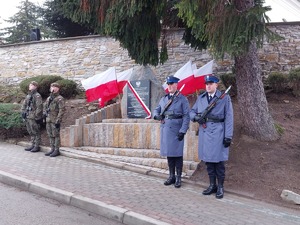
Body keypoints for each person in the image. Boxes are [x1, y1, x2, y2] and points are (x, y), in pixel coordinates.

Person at [190, 75, 233, 199]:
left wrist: (228, 136)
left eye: (211, 83)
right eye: (207, 84)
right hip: (205, 132)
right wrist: (196, 117)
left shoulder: (224, 98)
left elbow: (229, 118)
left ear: (216, 85)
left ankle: (220, 187)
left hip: (219, 132)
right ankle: (212, 185)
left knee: (219, 162)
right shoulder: (201, 98)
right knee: (208, 162)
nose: (208, 86)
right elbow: (191, 112)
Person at [153, 76, 190, 188]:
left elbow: (186, 116)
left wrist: (183, 131)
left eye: (172, 84)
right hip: (166, 129)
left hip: (176, 129)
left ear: (176, 85)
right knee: (170, 154)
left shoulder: (182, 99)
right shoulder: (164, 99)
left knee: (177, 155)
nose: (169, 86)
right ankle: (171, 176)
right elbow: (157, 109)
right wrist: (156, 115)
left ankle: (178, 177)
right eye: (168, 84)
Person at [43, 83, 65, 157]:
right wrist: (44, 115)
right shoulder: (49, 98)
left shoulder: (60, 98)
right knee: (50, 135)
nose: (53, 88)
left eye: (55, 87)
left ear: (58, 89)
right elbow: (45, 107)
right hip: (48, 119)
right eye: (52, 86)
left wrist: (58, 120)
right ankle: (52, 148)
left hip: (55, 119)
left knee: (56, 135)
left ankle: (56, 149)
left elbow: (61, 110)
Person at [21, 81, 43, 152]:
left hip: (33, 117)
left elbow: (39, 107)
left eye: (31, 85)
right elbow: (24, 105)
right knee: (30, 131)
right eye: (29, 85)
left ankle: (37, 146)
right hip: (27, 116)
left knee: (35, 131)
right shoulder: (28, 95)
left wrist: (35, 115)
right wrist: (23, 112)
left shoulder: (37, 96)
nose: (29, 86)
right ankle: (32, 144)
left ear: (35, 86)